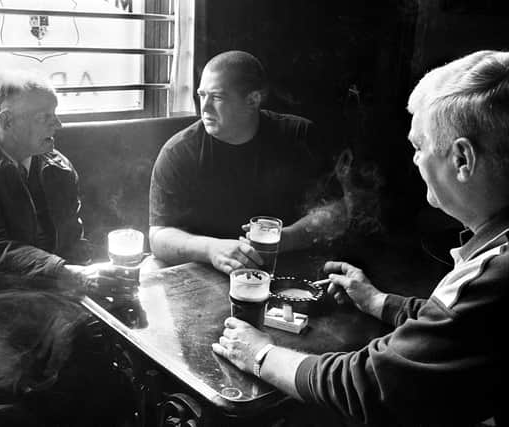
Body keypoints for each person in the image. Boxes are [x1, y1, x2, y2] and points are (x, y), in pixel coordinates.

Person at [212, 50, 509, 426]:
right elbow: (463, 329)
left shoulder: (494, 270)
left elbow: (370, 385)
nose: (415, 161)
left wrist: (260, 354)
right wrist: (379, 302)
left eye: (419, 147)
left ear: (462, 160)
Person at [0, 70, 128, 297]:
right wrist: (74, 276)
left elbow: (73, 242)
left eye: (55, 114)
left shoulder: (59, 168)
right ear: (7, 121)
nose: (58, 125)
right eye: (44, 117)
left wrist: (92, 277)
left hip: (46, 291)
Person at [148, 50, 347, 274]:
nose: (204, 107)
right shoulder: (179, 151)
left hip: (288, 267)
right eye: (202, 95)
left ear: (253, 100)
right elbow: (159, 236)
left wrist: (285, 239)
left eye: (218, 97)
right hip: (206, 269)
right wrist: (211, 249)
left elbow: (337, 213)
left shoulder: (299, 135)